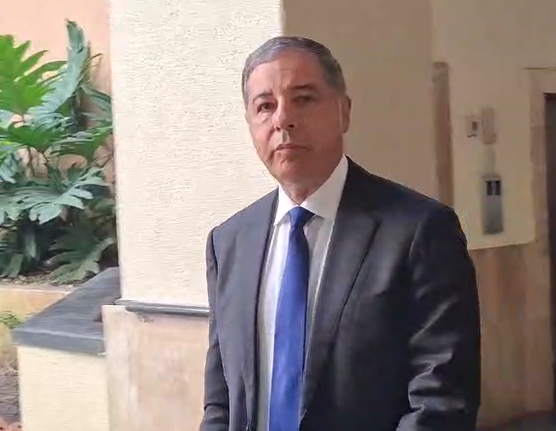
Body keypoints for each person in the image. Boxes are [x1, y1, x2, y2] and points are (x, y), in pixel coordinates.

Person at [199, 36, 481, 431]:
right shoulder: (229, 243)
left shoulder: (419, 231)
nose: (283, 120)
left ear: (343, 112)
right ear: (250, 125)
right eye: (265, 106)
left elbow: (442, 397)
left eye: (304, 99)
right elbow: (221, 401)